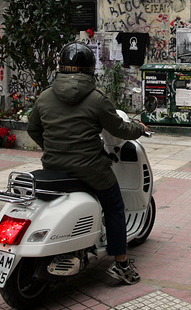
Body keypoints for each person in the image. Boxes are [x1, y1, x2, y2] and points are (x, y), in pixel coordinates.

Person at [27, 42, 150, 285]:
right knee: (115, 206)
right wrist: (140, 128)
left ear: (61, 66)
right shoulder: (96, 99)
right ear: (90, 69)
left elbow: (33, 129)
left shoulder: (44, 96)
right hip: (91, 170)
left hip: (53, 168)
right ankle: (121, 263)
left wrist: (53, 149)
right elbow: (119, 128)